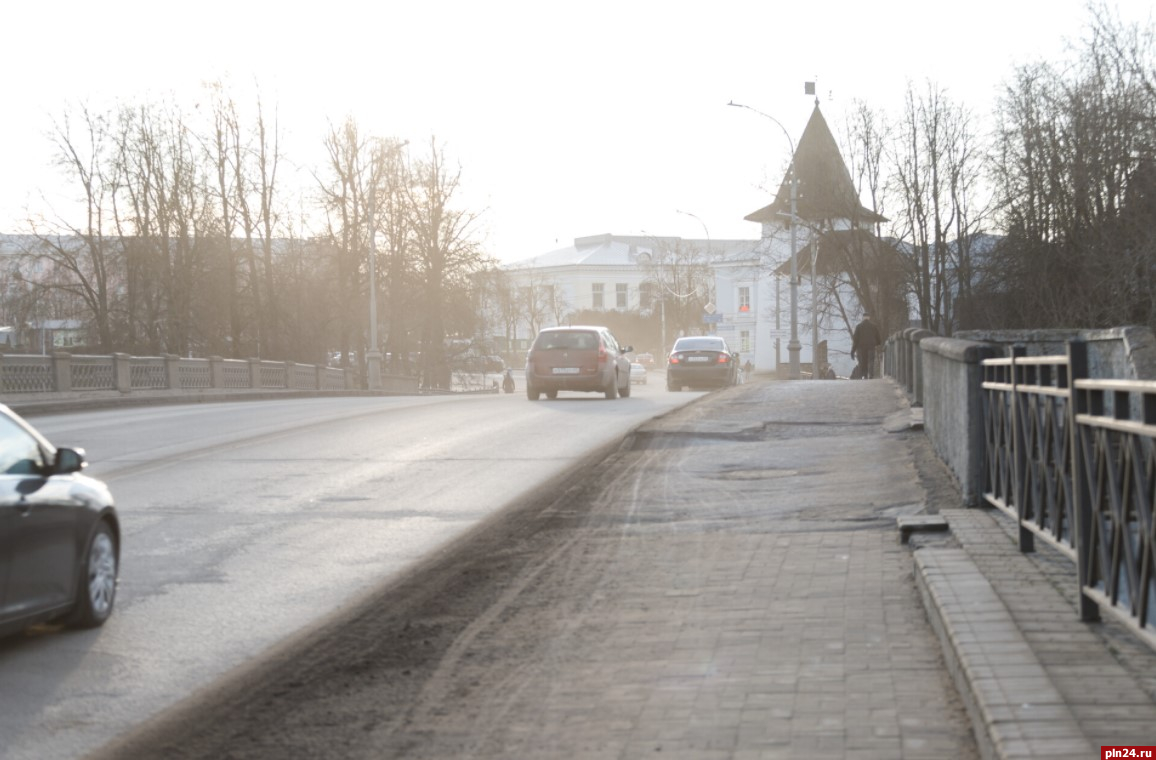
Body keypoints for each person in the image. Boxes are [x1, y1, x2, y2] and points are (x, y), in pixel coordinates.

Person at [851, 314, 883, 380]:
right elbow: (879, 339)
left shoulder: (858, 327)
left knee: (863, 361)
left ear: (863, 318)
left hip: (861, 347)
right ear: (869, 318)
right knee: (871, 360)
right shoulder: (874, 326)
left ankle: (864, 375)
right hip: (871, 346)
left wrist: (853, 351)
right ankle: (871, 375)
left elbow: (855, 340)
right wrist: (876, 343)